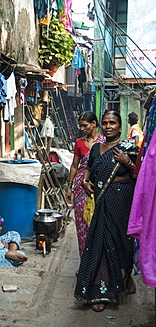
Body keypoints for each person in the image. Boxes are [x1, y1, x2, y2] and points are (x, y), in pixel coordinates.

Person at [74, 110, 139, 312]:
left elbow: (141, 174)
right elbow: (88, 169)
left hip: (122, 199)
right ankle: (100, 292)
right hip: (100, 200)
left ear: (120, 127)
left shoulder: (129, 148)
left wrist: (128, 162)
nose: (108, 126)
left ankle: (125, 277)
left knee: (122, 243)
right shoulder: (96, 149)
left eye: (112, 123)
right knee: (100, 244)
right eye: (105, 123)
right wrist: (85, 182)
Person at [65, 111, 105, 259]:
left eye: (85, 125)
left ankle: (98, 262)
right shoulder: (79, 143)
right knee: (82, 225)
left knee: (97, 225)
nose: (82, 129)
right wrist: (69, 187)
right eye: (80, 126)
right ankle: (84, 263)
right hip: (81, 188)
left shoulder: (104, 142)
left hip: (99, 186)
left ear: (94, 123)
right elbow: (75, 166)